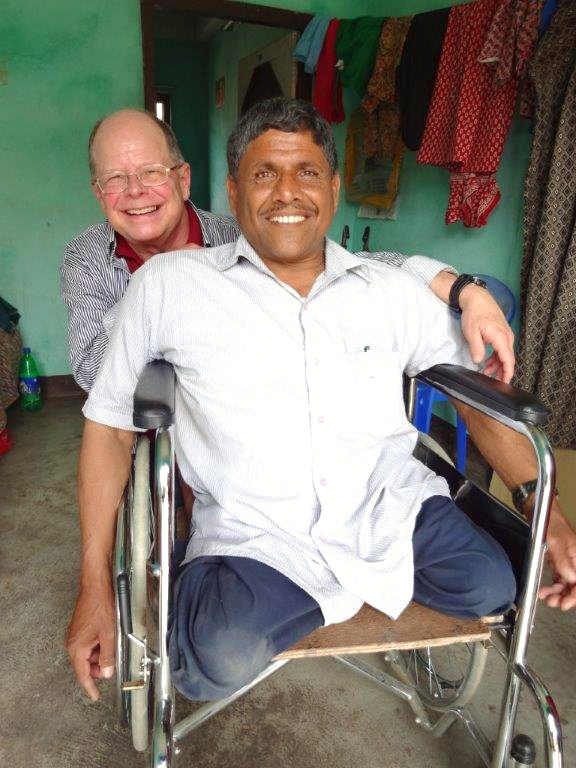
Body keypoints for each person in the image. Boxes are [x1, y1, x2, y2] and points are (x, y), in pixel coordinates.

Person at [66, 99, 576, 706]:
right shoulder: (170, 285)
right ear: (233, 191)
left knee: (493, 583)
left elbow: (473, 402)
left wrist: (543, 510)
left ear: (333, 188)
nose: (286, 193)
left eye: (306, 172)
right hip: (257, 526)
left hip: (383, 506)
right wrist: (93, 582)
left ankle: (321, 588)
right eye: (264, 175)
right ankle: (303, 585)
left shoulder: (385, 290)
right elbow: (109, 425)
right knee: (210, 659)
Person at [61, 108, 516, 393]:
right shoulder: (85, 257)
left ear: (183, 179)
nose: (136, 192)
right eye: (115, 179)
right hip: (144, 414)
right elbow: (89, 370)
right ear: (99, 194)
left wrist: (466, 290)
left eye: (151, 172)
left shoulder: (234, 235)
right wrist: (155, 289)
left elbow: (352, 264)